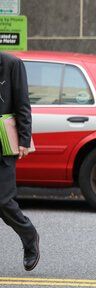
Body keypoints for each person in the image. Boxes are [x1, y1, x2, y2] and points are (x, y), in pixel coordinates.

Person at [0, 52, 40, 271]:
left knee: (3, 201)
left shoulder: (11, 64)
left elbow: (22, 103)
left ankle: (29, 235)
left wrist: (24, 139)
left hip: (2, 142)